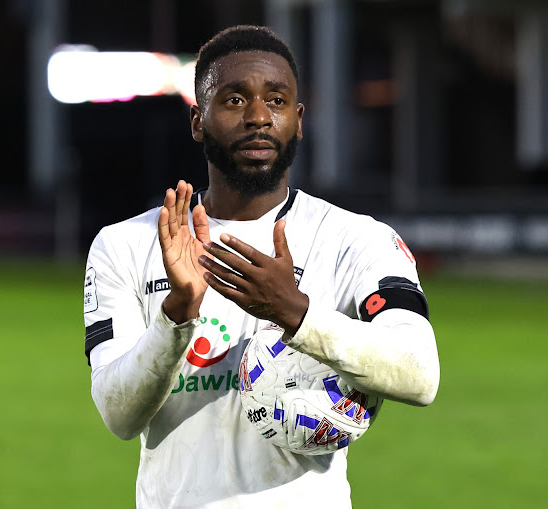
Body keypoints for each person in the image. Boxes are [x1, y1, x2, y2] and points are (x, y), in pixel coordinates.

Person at [83, 25, 440, 508]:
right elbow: (118, 416)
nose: (257, 117)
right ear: (197, 121)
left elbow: (421, 375)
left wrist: (297, 314)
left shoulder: (357, 239)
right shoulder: (126, 244)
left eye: (276, 101)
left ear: (298, 119)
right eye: (234, 100)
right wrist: (176, 315)